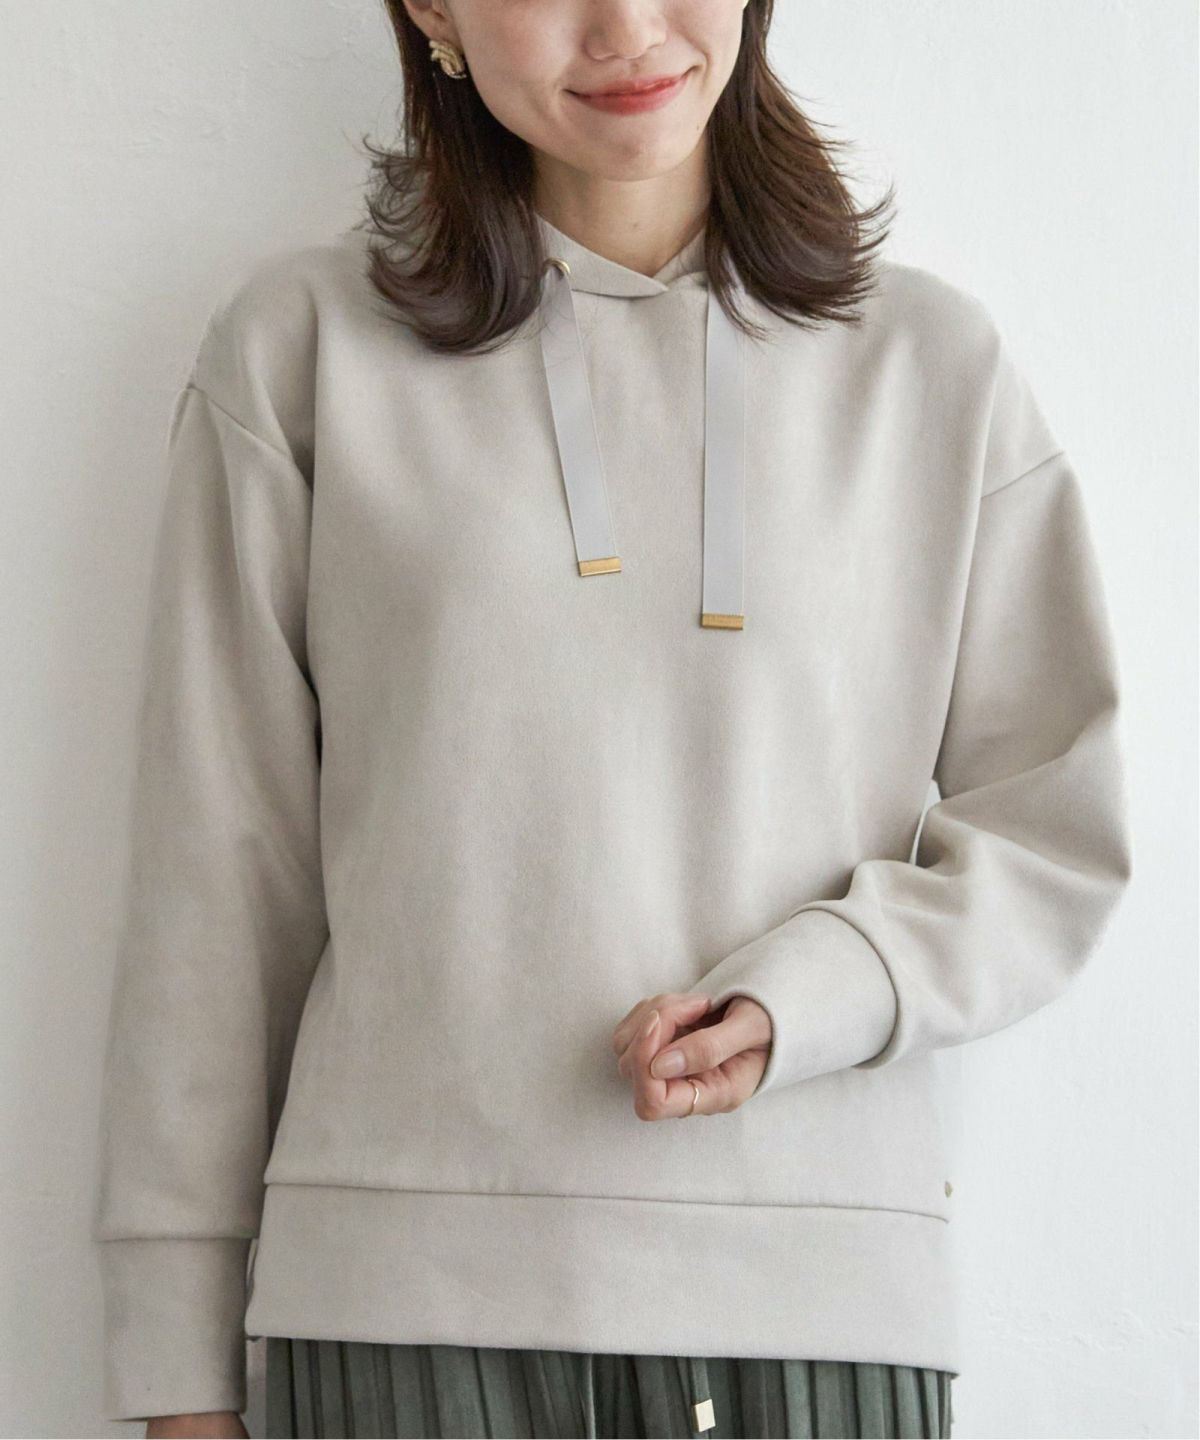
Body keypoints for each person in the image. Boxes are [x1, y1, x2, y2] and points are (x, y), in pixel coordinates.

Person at [90, 1, 1134, 1437]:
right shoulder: (300, 353)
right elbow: (216, 879)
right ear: (433, 9)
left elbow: (1054, 833)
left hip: (815, 1311)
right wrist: (174, 1366)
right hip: (401, 1311)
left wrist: (818, 992)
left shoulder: (935, 369)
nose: (627, 28)